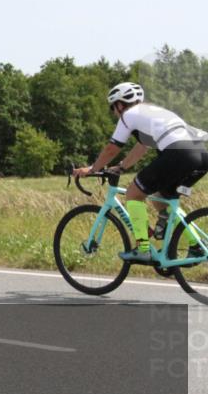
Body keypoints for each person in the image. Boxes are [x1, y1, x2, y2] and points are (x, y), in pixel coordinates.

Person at [74, 82, 208, 263]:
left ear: (120, 104)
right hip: (201, 154)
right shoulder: (153, 112)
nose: (114, 113)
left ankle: (143, 249)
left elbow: (112, 148)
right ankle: (196, 246)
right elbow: (142, 146)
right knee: (161, 199)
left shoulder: (128, 115)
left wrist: (92, 169)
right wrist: (121, 167)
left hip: (179, 153)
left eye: (113, 108)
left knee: (133, 194)